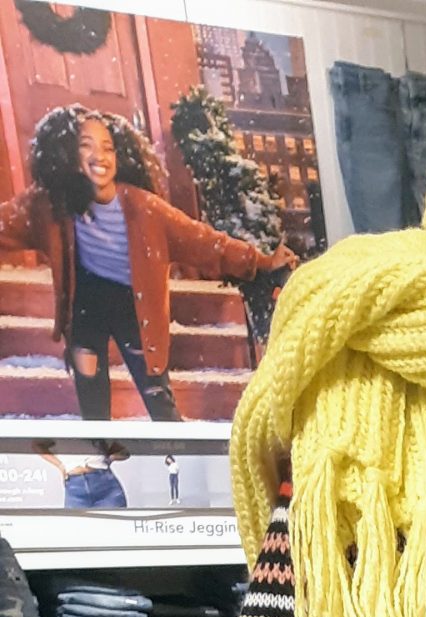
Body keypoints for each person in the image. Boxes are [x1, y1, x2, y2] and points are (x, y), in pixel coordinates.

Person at [0, 107, 295, 422]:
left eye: (108, 147)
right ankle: (101, 447)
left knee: (156, 391)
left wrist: (261, 262)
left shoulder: (146, 209)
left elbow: (205, 242)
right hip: (85, 306)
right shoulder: (49, 205)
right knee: (89, 382)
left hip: (134, 306)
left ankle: (174, 444)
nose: (99, 156)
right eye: (86, 145)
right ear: (67, 153)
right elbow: (6, 224)